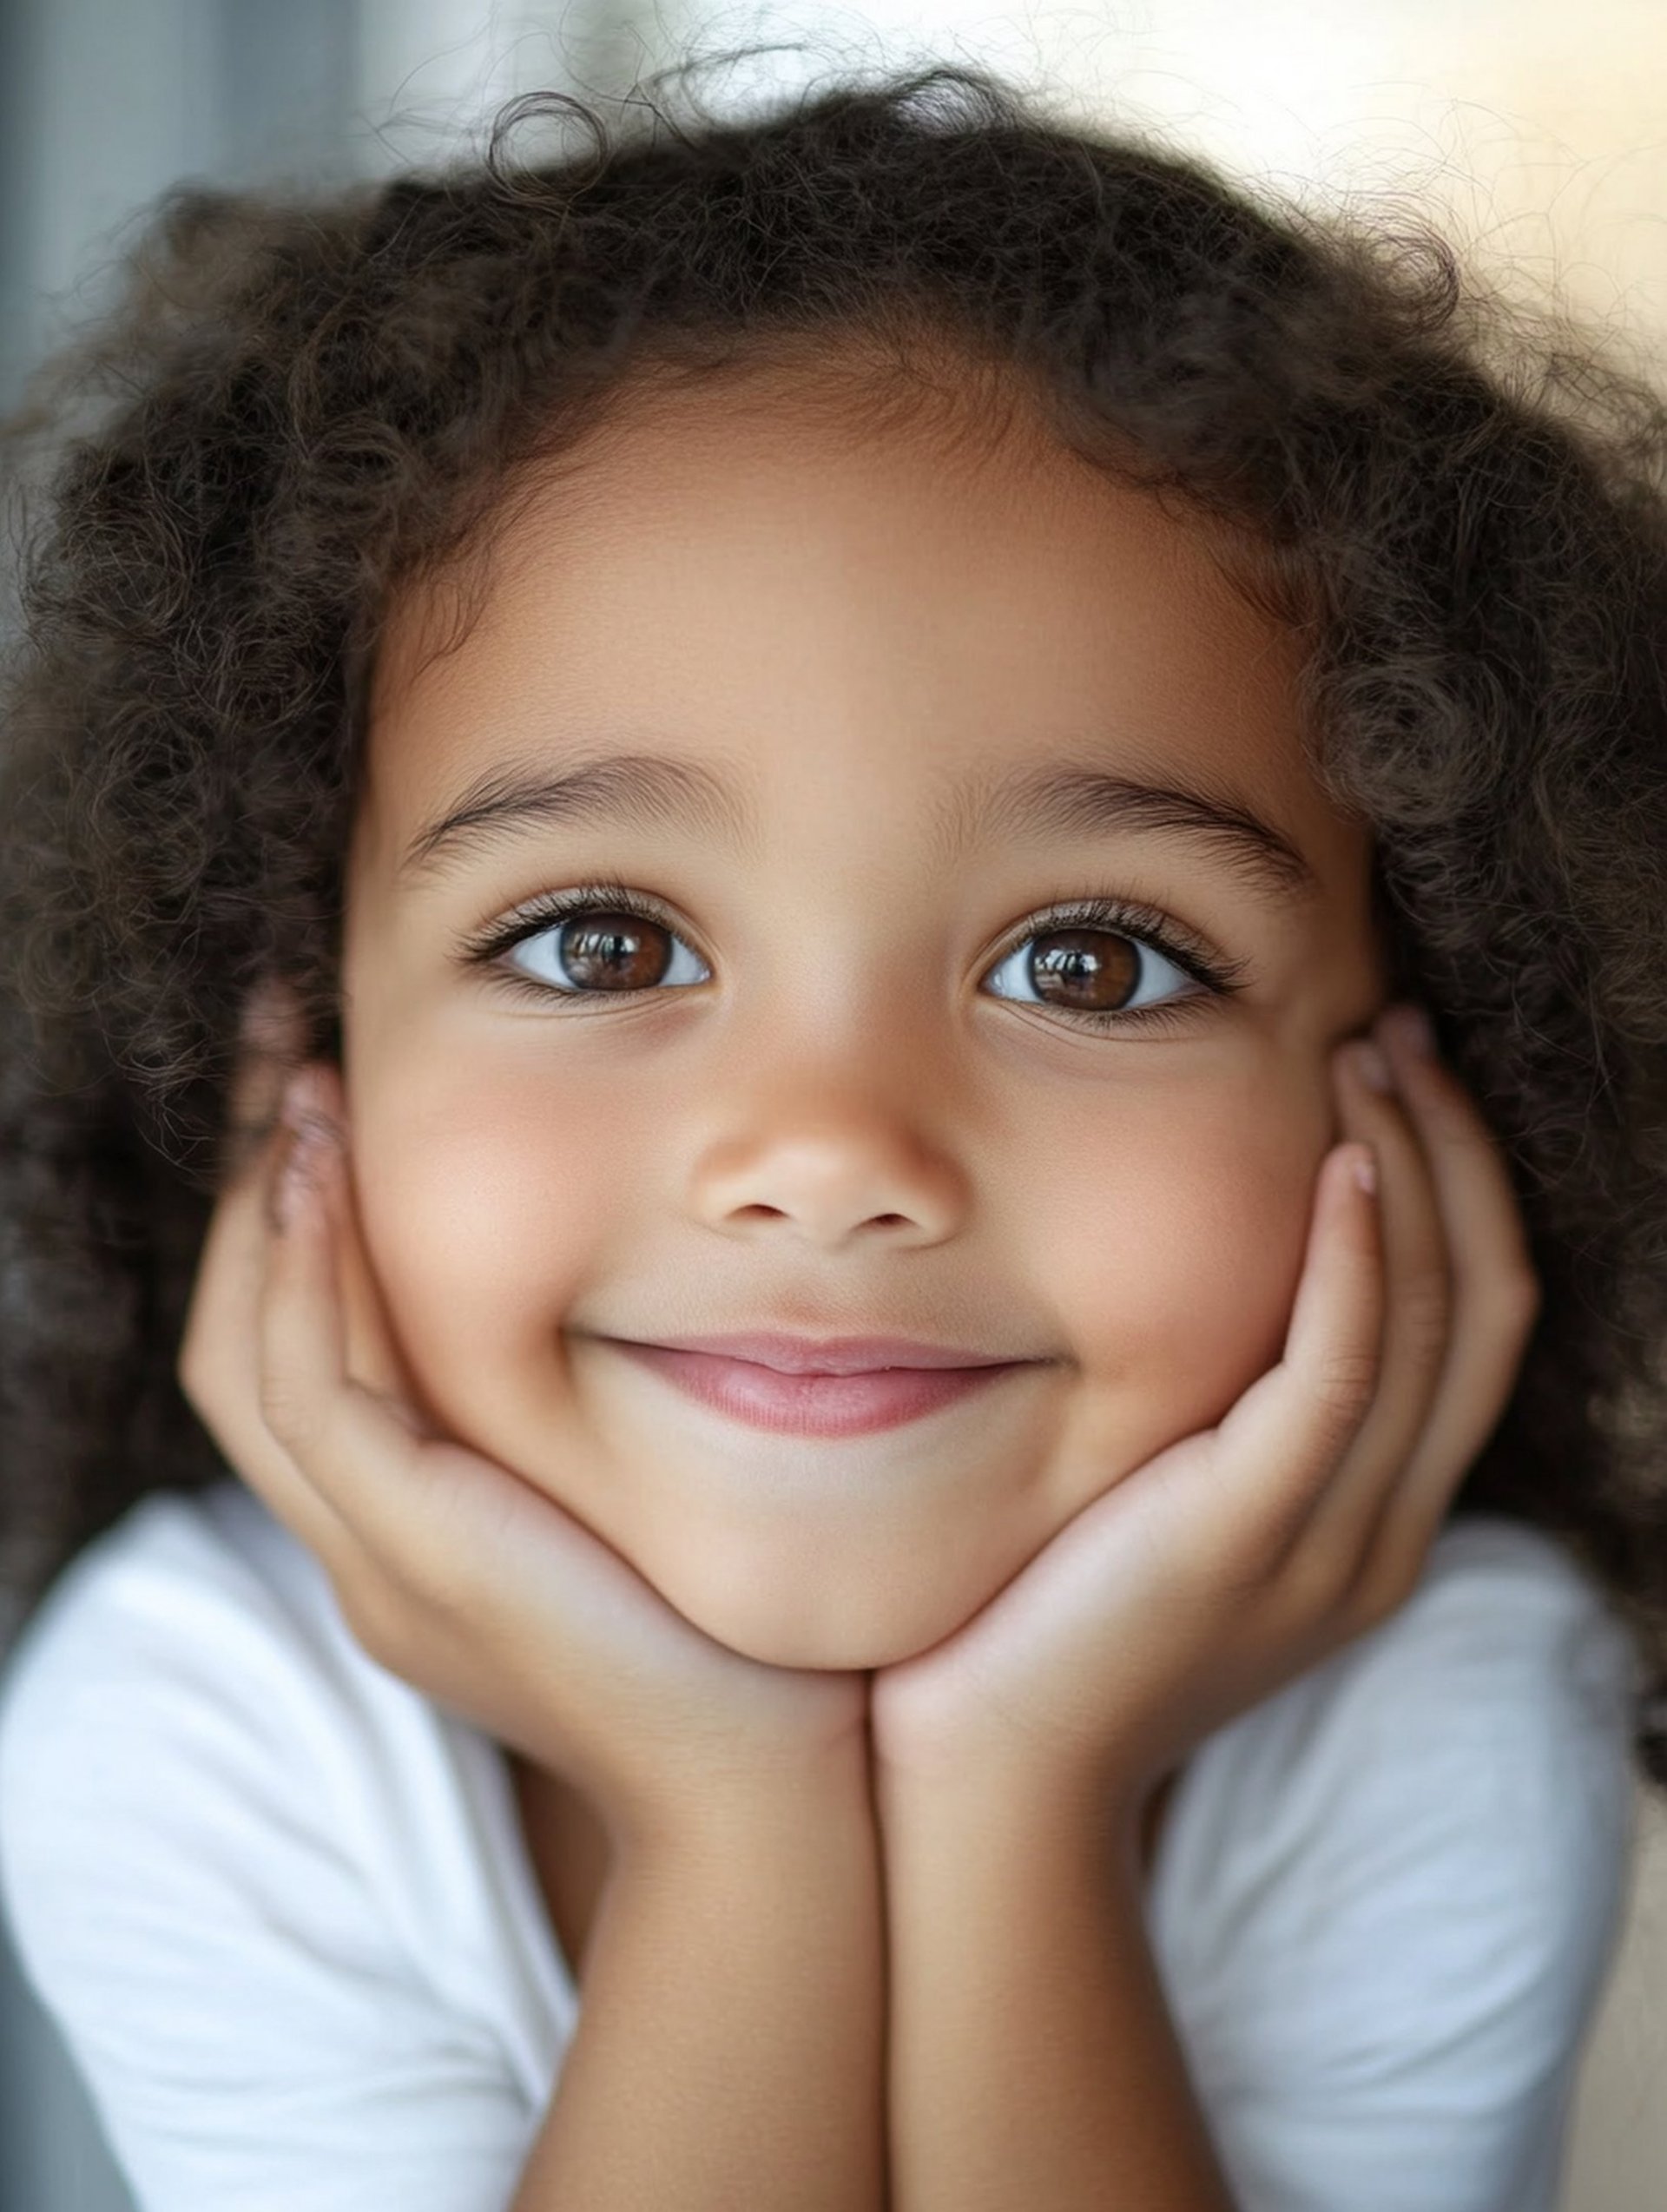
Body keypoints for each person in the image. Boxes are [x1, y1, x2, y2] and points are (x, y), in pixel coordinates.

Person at [0, 53, 1660, 2212]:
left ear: (1436, 1067)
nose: (830, 1145)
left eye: (1094, 963)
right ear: (293, 1059)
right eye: (601, 942)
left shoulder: (1431, 1698)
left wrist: (1023, 1795)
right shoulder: (205, 1721)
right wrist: (733, 1812)